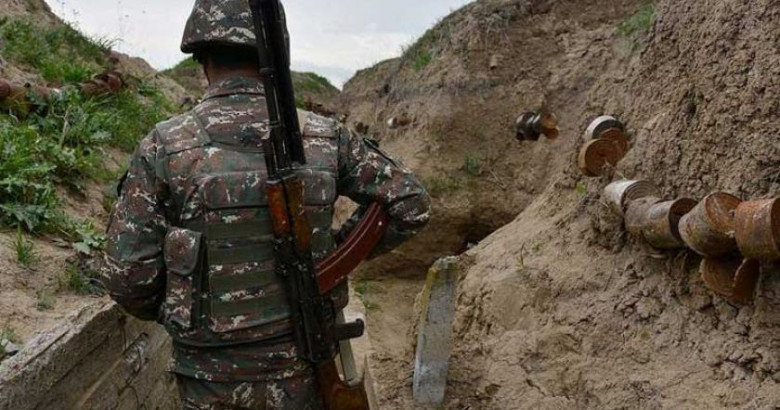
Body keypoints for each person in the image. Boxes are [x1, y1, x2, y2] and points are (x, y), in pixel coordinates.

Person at [100, 1, 431, 408]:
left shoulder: (164, 146)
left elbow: (127, 279)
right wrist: (329, 259)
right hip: (304, 371)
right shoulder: (327, 137)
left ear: (201, 57)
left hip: (210, 379)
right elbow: (410, 204)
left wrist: (191, 310)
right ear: (277, 51)